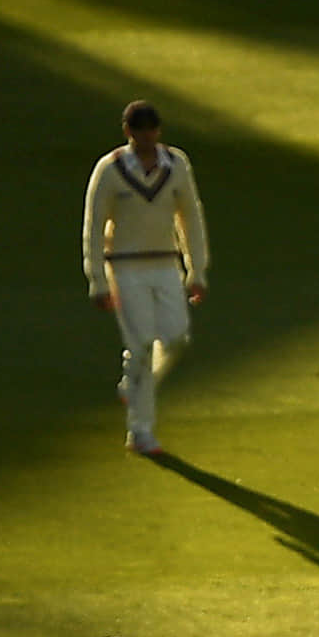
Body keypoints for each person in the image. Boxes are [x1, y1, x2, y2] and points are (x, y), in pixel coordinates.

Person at [82, 100, 210, 460]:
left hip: (166, 266)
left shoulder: (177, 164)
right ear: (128, 132)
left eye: (151, 130)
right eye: (139, 131)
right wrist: (97, 280)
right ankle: (140, 430)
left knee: (176, 338)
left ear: (159, 130)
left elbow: (191, 219)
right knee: (140, 347)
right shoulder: (110, 170)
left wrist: (196, 270)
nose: (146, 137)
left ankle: (133, 383)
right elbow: (93, 227)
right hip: (123, 267)